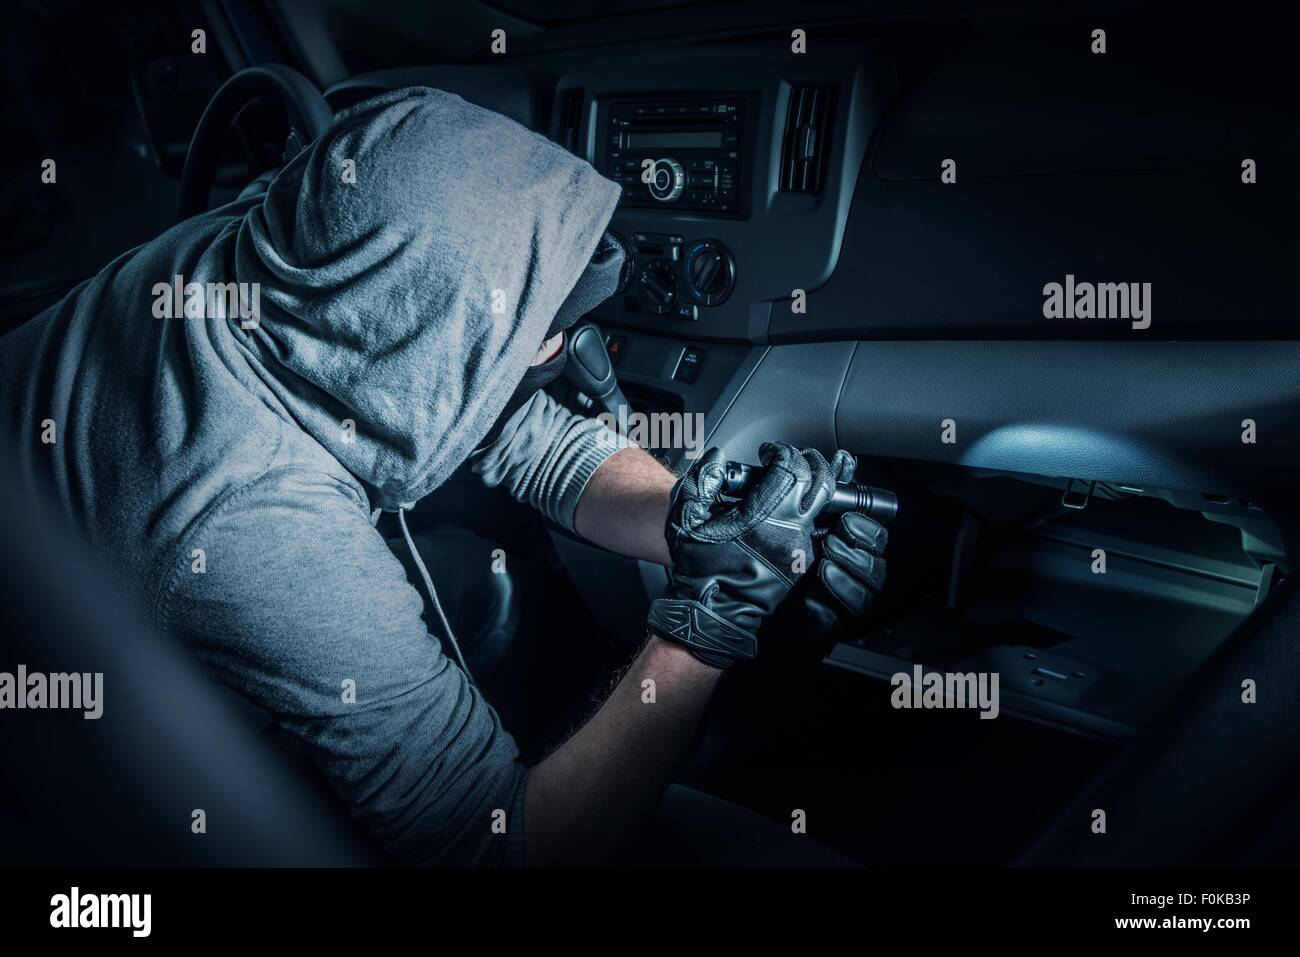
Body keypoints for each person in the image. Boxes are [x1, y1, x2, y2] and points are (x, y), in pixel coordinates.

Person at [0, 87, 887, 865]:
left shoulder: (278, 242)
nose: (568, 351)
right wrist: (707, 623)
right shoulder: (254, 525)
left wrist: (695, 521)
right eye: (534, 335)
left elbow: (508, 428)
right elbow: (506, 848)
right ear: (421, 350)